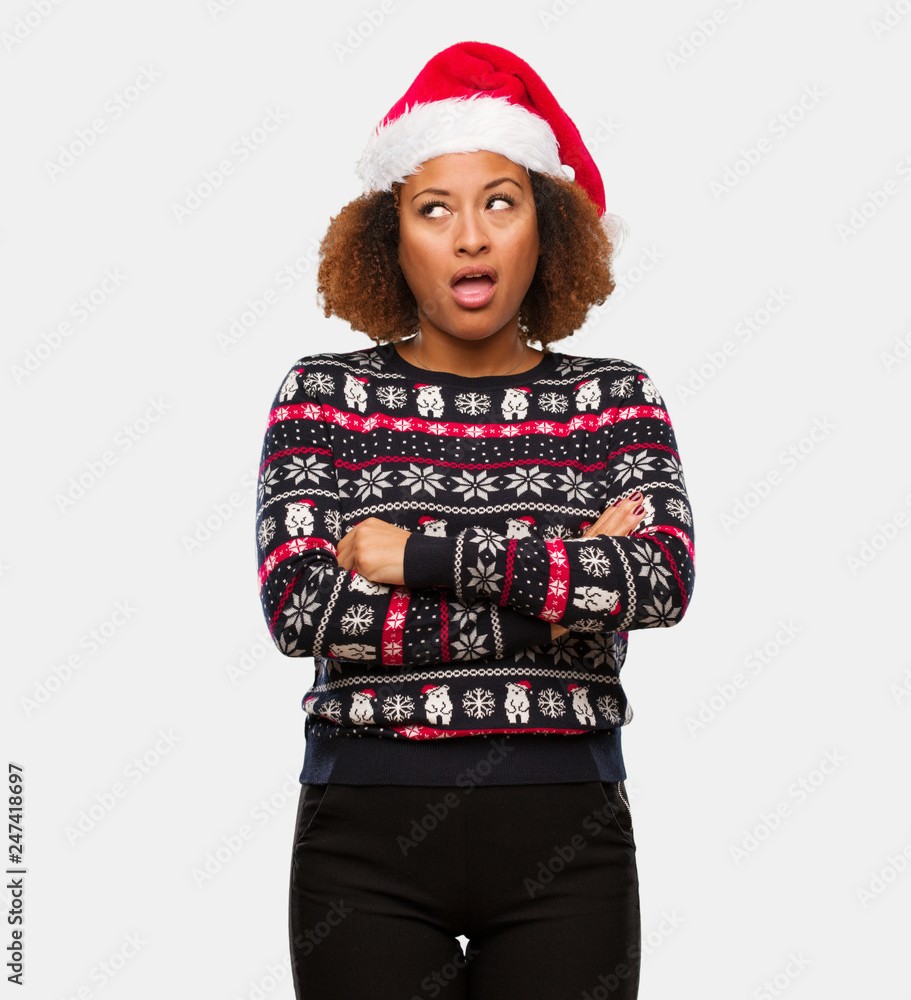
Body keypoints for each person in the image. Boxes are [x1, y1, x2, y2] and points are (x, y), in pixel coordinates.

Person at [254, 41, 696, 1000]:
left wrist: (417, 556)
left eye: (500, 202)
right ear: (389, 236)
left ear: (549, 225)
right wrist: (564, 595)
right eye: (434, 209)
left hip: (569, 840)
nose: (469, 238)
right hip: (361, 843)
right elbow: (303, 610)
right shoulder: (325, 397)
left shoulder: (614, 400)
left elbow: (658, 582)